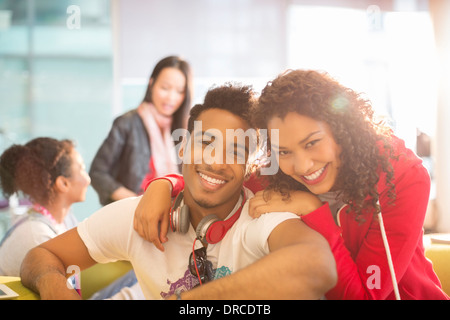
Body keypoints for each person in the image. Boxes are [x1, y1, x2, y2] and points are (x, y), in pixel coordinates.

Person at [134, 70, 449, 300]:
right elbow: (218, 182)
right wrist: (163, 185)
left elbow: (363, 297)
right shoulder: (278, 175)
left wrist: (314, 210)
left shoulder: (404, 178)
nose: (302, 166)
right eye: (283, 151)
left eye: (312, 143)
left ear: (343, 131)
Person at [20, 83, 337, 300]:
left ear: (251, 167)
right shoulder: (137, 215)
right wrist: (54, 286)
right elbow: (42, 255)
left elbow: (317, 265)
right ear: (184, 146)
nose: (215, 162)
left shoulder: (261, 219)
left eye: (236, 151)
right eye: (206, 143)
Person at [89, 56, 193, 205]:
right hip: (132, 214)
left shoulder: (186, 129)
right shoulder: (127, 123)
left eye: (179, 91)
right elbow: (98, 172)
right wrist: (135, 201)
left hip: (174, 214)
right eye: (165, 88)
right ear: (152, 84)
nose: (171, 97)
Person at [0, 138, 88, 276]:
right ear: (63, 183)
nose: (87, 179)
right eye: (82, 169)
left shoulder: (65, 220)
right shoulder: (37, 237)